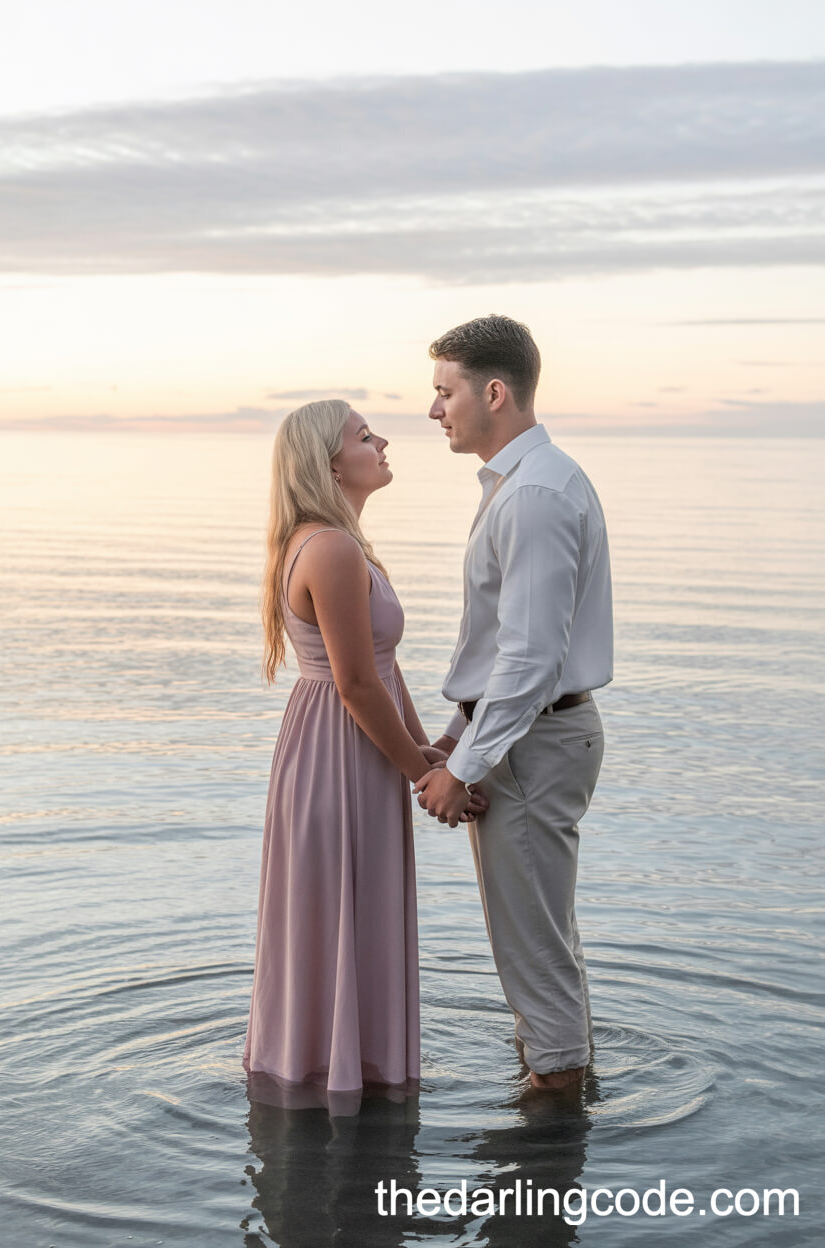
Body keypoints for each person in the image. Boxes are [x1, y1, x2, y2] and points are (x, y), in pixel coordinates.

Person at [243, 397, 484, 1107]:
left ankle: (325, 1064)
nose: (382, 441)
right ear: (329, 464)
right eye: (363, 435)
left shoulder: (328, 543)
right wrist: (424, 774)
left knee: (336, 909)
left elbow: (381, 673)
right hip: (338, 751)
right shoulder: (332, 548)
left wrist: (435, 761)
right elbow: (354, 683)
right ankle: (342, 1076)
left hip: (339, 744)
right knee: (344, 904)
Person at [414, 315, 613, 1092]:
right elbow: (508, 649)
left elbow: (530, 660)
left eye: (444, 392)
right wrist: (458, 731)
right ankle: (558, 1085)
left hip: (535, 745)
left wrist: (464, 767)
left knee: (533, 952)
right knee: (542, 943)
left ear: (495, 392)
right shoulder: (526, 483)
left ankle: (551, 1136)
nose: (435, 411)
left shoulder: (532, 495)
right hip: (532, 738)